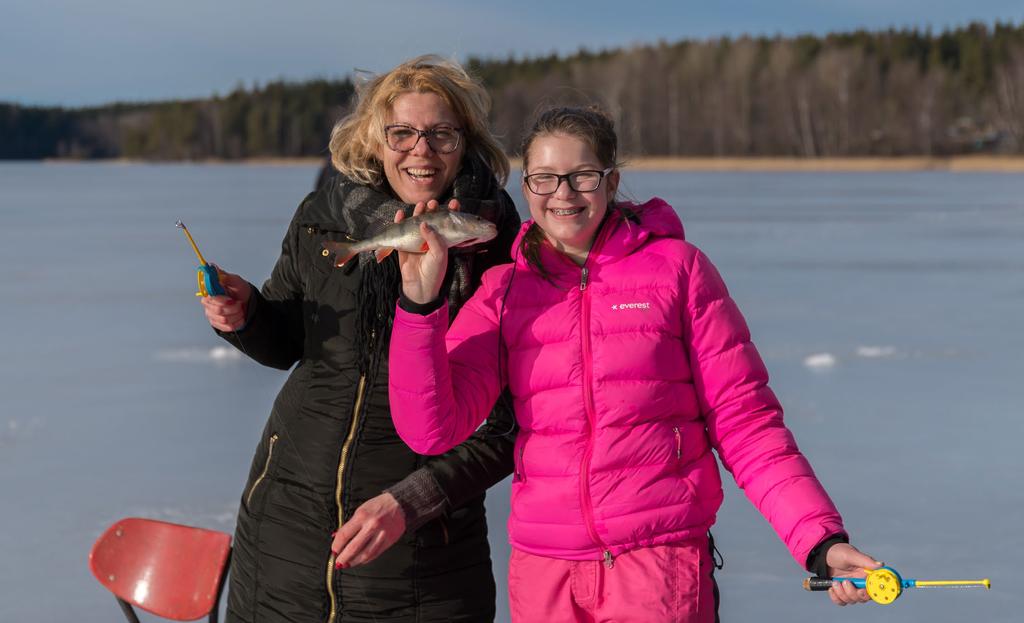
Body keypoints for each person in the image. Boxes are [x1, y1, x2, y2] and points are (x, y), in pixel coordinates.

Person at [388, 106, 881, 622]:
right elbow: (430, 430)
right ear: (527, 187)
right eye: (544, 179)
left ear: (612, 180)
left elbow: (747, 423)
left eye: (582, 176)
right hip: (545, 579)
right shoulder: (504, 291)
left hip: (657, 570)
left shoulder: (678, 272)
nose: (563, 194)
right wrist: (420, 305)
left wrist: (819, 539)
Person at [199, 55, 521, 623]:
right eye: (402, 132)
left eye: (441, 133)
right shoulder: (325, 218)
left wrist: (412, 501)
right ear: (375, 139)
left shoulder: (499, 251)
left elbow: (506, 428)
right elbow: (292, 337)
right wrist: (249, 315)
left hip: (419, 556)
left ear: (464, 141)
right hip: (283, 533)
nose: (421, 149)